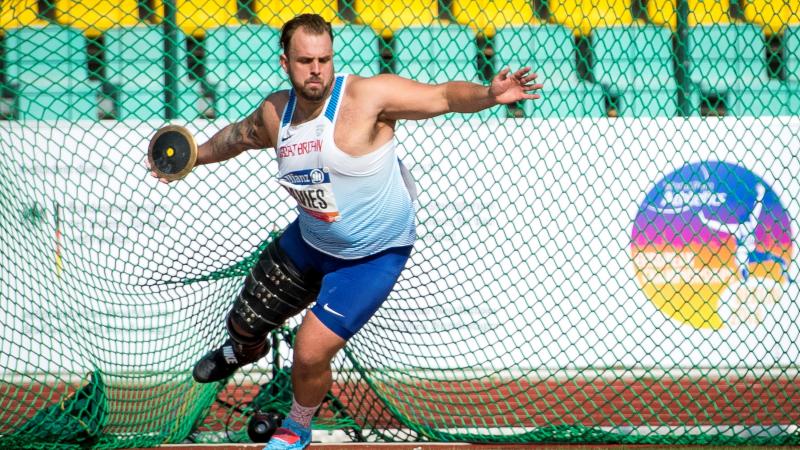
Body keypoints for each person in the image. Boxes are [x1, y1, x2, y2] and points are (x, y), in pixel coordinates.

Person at [150, 13, 541, 450]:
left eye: (324, 59)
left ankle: (296, 427)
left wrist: (489, 94)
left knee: (310, 350)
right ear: (286, 63)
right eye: (304, 61)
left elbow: (444, 96)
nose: (316, 69)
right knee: (241, 325)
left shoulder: (369, 97)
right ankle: (244, 351)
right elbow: (239, 138)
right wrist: (191, 157)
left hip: (371, 257)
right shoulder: (276, 112)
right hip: (310, 241)